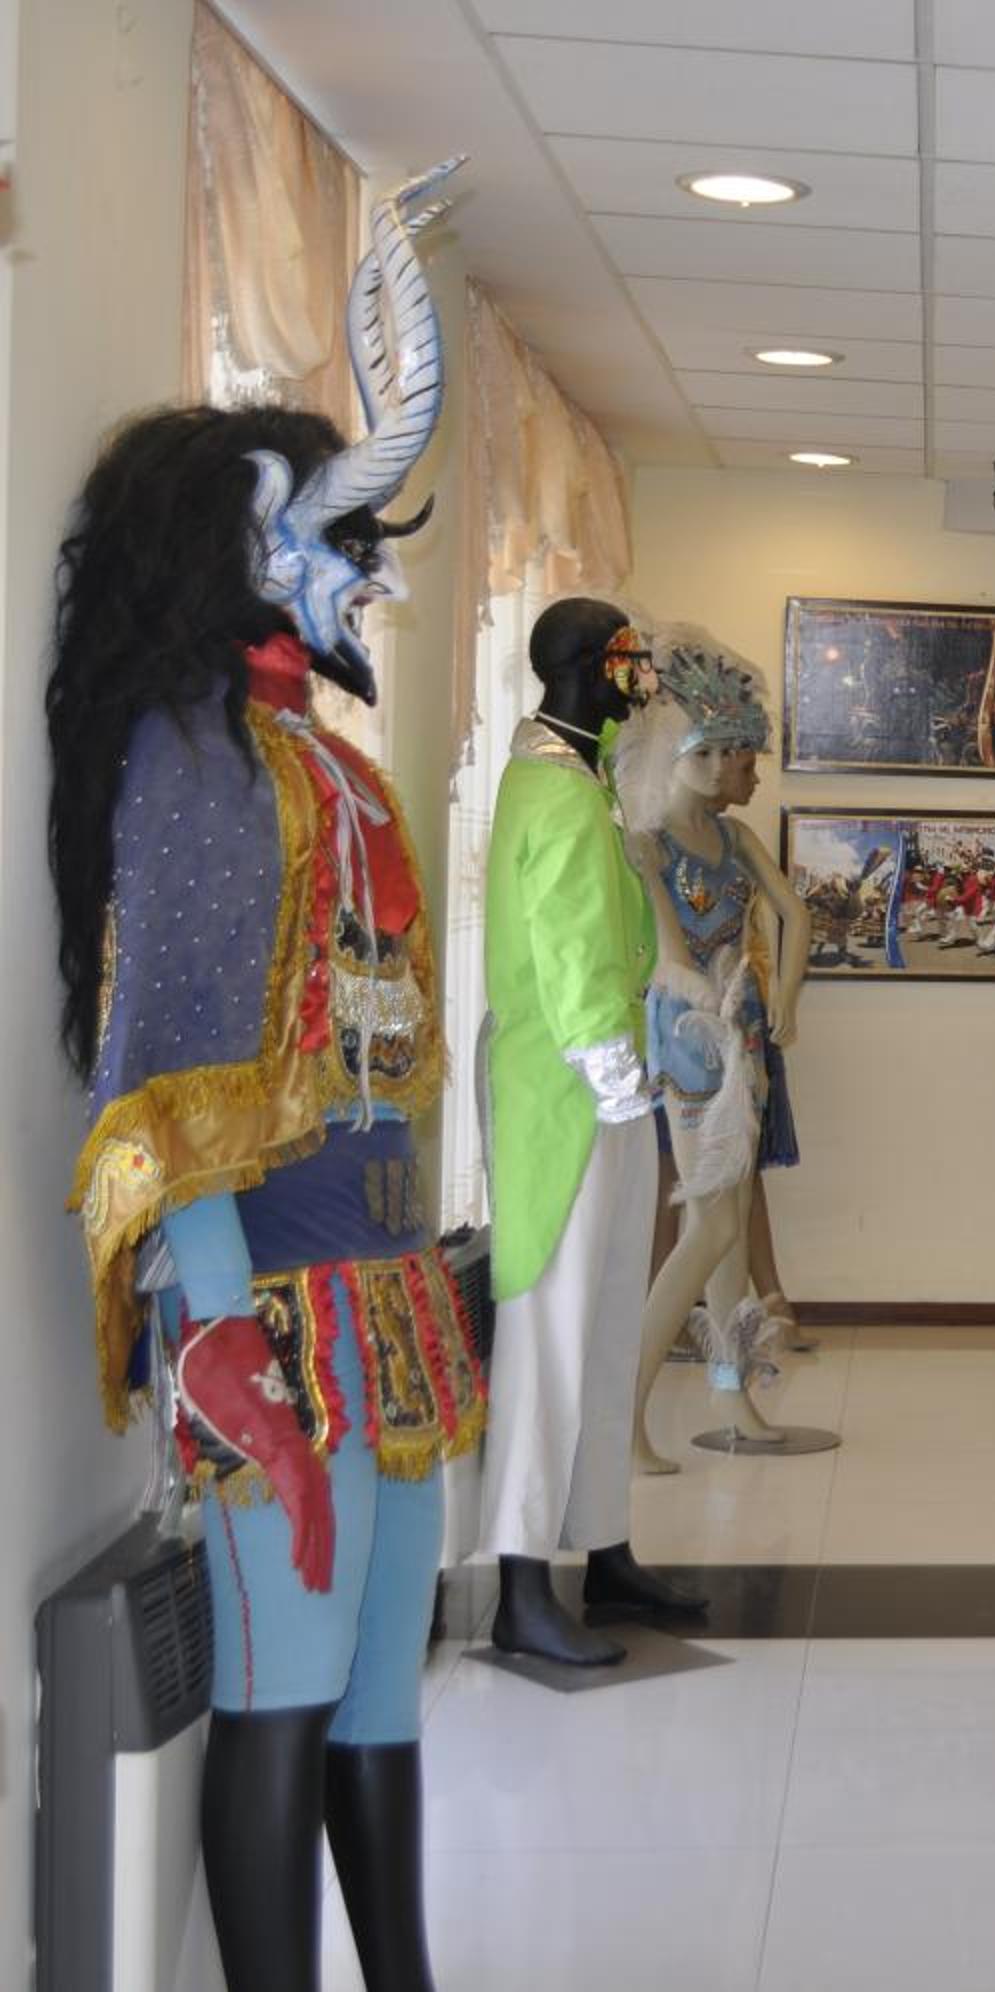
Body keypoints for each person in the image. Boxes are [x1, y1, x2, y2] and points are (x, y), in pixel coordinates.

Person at [49, 164, 479, 1992]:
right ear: (245, 545)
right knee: (280, 1701)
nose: (374, 573)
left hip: (385, 1302)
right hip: (274, 1316)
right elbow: (163, 1083)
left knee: (378, 1701)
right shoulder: (197, 760)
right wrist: (218, 1334)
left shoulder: (335, 767)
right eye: (340, 537)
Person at [477, 593, 706, 1665]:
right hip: (564, 1096)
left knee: (608, 1328)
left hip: (607, 1086)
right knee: (552, 1335)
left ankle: (604, 1547)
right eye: (630, 658)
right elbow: (569, 954)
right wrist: (617, 1077)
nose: (642, 679)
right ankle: (522, 1584)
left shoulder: (584, 779)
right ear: (585, 664)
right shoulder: (557, 792)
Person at [619, 630, 810, 1466]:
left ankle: (733, 1392)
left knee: (727, 1224)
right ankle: (624, 1409)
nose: (738, 770)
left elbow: (795, 913)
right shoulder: (648, 842)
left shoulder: (734, 842)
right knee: (709, 1226)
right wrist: (721, 1004)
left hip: (743, 1033)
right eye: (726, 755)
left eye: (738, 754)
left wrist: (783, 1001)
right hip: (694, 1040)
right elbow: (669, 955)